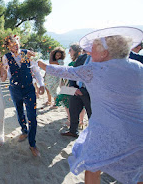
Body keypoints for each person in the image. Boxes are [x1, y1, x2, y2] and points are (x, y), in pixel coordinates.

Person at [38, 26, 143, 184]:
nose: (89, 52)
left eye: (92, 48)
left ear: (104, 52)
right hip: (137, 133)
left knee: (93, 167)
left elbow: (63, 71)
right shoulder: (138, 67)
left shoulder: (95, 69)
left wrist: (40, 64)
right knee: (138, 171)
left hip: (105, 131)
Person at [2, 35, 45, 157]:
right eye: (12, 44)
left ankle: (32, 144)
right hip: (15, 89)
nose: (15, 45)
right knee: (19, 110)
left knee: (32, 115)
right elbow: (6, 74)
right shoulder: (6, 57)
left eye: (16, 43)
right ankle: (24, 131)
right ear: (8, 46)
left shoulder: (27, 54)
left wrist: (41, 84)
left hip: (29, 89)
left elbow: (36, 70)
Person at [55, 43, 86, 128]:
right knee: (82, 103)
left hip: (75, 87)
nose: (69, 52)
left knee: (63, 96)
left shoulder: (73, 63)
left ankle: (70, 120)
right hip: (82, 87)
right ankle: (81, 121)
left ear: (76, 52)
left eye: (70, 50)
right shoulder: (85, 61)